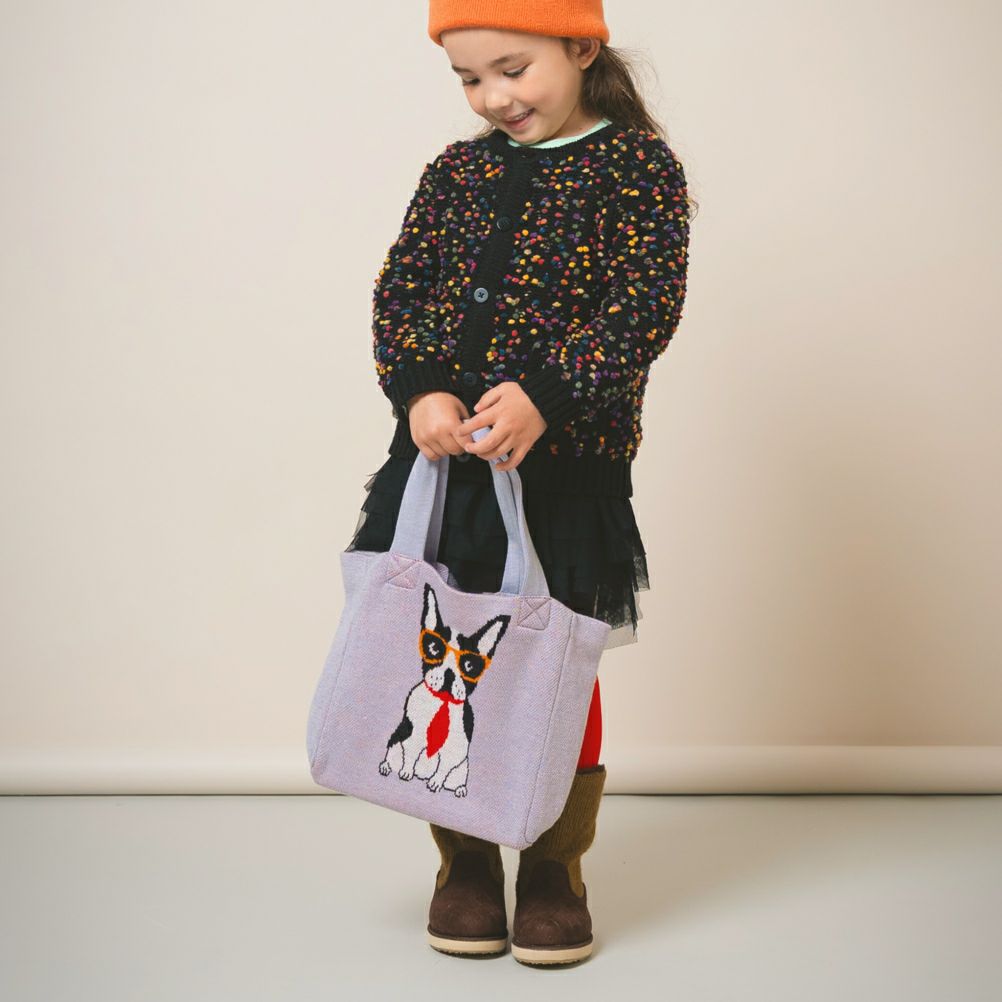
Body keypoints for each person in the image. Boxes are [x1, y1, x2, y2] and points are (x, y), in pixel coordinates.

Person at [345, 0, 693, 967]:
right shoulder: (455, 174)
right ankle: (463, 863)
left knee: (553, 664)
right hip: (447, 471)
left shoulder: (637, 169)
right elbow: (402, 289)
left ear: (581, 46)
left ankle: (551, 866)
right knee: (441, 660)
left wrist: (549, 393)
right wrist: (421, 389)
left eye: (512, 69)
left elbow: (644, 302)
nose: (492, 97)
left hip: (566, 475)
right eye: (468, 78)